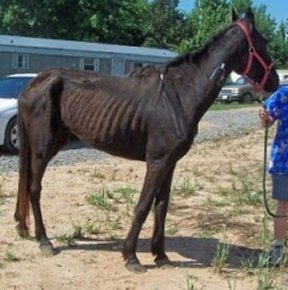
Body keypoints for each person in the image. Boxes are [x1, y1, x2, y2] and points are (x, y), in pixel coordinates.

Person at [259, 85, 288, 266]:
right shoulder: (283, 94)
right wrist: (265, 118)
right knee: (284, 204)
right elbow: (267, 122)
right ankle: (278, 247)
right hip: (284, 160)